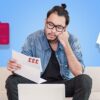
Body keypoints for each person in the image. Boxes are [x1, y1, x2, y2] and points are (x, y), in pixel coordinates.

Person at [6, 3, 92, 100]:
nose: (53, 31)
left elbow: (78, 72)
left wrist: (66, 44)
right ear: (45, 22)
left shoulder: (72, 40)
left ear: (65, 29)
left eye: (59, 27)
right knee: (11, 80)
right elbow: (23, 67)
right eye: (50, 24)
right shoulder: (33, 38)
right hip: (38, 83)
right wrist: (15, 67)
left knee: (85, 80)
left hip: (63, 85)